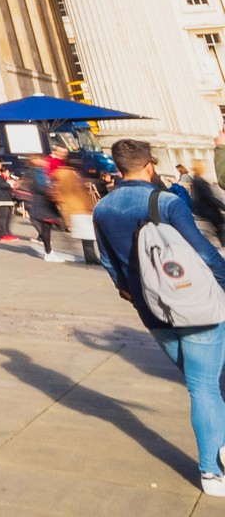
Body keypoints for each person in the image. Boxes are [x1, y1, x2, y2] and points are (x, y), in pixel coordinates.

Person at [94, 137, 225, 497]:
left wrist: (133, 293)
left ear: (118, 169)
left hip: (152, 310)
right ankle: (212, 471)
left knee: (203, 384)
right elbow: (204, 252)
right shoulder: (165, 202)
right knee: (205, 386)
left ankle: (219, 445)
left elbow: (109, 263)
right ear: (150, 165)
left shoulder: (102, 209)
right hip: (194, 304)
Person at [50, 152, 100, 265]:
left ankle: (90, 257)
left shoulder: (61, 173)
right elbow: (76, 190)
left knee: (87, 235)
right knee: (88, 235)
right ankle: (91, 257)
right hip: (79, 205)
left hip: (75, 206)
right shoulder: (68, 174)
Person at [25, 156, 74, 262]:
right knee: (46, 228)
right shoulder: (37, 173)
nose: (45, 162)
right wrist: (51, 188)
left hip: (43, 203)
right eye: (41, 160)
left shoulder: (40, 172)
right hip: (42, 204)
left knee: (47, 228)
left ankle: (49, 251)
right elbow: (40, 188)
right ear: (36, 162)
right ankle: (49, 252)